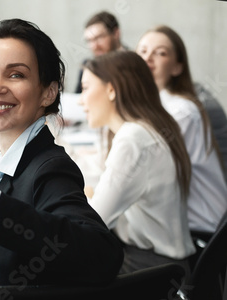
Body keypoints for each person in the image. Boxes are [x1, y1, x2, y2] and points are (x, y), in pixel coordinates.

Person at [0, 19, 123, 296]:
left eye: (15, 75)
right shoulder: (0, 161)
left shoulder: (50, 168)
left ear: (48, 93)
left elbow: (101, 254)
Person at [80, 51, 195, 273]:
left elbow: (94, 223)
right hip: (166, 269)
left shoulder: (133, 138)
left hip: (148, 271)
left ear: (111, 89)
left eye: (85, 88)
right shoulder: (151, 127)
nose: (81, 100)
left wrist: (84, 194)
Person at [136, 25, 227, 234]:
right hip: (176, 224)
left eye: (160, 53)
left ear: (177, 67)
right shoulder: (151, 107)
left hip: (201, 229)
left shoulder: (181, 112)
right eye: (142, 51)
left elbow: (144, 174)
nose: (148, 57)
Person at [75, 11, 127, 93]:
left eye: (99, 38)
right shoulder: (87, 66)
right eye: (89, 41)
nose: (94, 46)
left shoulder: (137, 62)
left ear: (116, 33)